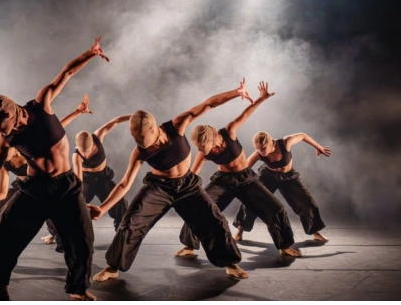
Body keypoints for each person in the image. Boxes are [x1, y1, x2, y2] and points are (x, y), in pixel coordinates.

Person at [0, 37, 110, 302]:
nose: (1, 133)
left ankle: (78, 288)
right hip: (34, 189)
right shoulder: (4, 138)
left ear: (13, 114)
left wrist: (90, 53)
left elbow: (66, 73)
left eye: (3, 127)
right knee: (1, 238)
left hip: (66, 187)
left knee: (81, 241)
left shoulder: (42, 104)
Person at [90, 79, 253, 282]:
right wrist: (102, 208)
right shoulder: (139, 152)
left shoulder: (177, 126)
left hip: (187, 186)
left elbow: (209, 104)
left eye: (142, 139)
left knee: (215, 221)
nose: (139, 143)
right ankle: (112, 267)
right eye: (136, 139)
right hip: (159, 188)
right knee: (130, 223)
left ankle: (230, 263)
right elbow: (124, 184)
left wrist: (237, 92)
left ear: (153, 129)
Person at [176, 81, 301, 259]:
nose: (204, 151)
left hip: (245, 180)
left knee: (276, 208)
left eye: (205, 147)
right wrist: (184, 189)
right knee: (199, 209)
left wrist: (260, 99)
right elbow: (193, 175)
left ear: (213, 138)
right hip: (223, 181)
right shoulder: (204, 152)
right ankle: (188, 246)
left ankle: (285, 246)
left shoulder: (229, 131)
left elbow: (246, 113)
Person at [0, 95, 93, 262]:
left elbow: (57, 127)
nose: (3, 152)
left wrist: (77, 112)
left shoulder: (28, 148)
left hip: (43, 185)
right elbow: (2, 193)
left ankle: (62, 244)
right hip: (21, 187)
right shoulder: (3, 161)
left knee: (54, 216)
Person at [41, 113, 132, 248]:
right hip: (87, 182)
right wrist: (78, 199)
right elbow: (79, 180)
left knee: (121, 204)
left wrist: (133, 117)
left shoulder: (98, 136)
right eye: (82, 151)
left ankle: (122, 236)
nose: (85, 154)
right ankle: (56, 234)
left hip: (103, 179)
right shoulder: (77, 156)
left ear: (93, 144)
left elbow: (116, 120)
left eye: (87, 151)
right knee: (68, 207)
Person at [232, 128, 332, 243]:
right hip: (268, 177)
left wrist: (318, 147)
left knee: (306, 202)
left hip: (288, 178)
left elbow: (302, 135)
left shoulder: (285, 142)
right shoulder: (258, 154)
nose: (260, 151)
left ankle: (315, 232)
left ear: (270, 142)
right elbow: (244, 167)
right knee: (253, 200)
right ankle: (240, 230)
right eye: (257, 148)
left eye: (263, 148)